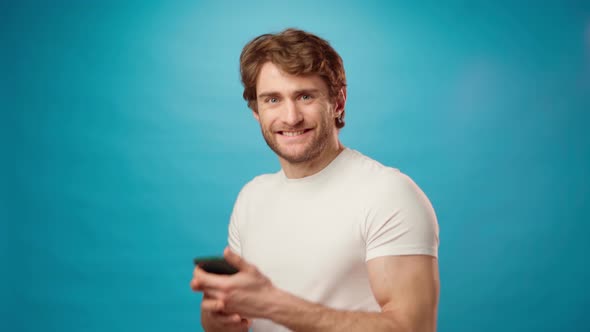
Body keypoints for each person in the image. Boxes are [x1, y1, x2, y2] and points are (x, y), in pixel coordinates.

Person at [190, 28, 440, 332]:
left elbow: (413, 327)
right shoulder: (251, 197)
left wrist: (273, 304)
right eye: (272, 100)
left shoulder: (388, 194)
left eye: (305, 96)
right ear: (256, 110)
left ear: (338, 101)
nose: (290, 116)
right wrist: (219, 317)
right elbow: (233, 321)